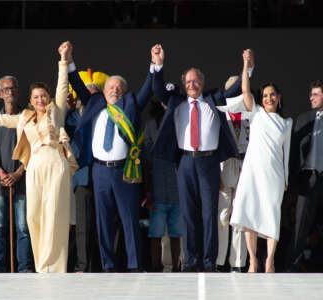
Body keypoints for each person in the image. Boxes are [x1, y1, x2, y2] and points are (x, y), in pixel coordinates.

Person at [0, 41, 78, 273]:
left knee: (54, 213)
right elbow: (0, 119)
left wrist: (64, 59)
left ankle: (53, 266)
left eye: (43, 96)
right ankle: (42, 263)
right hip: (34, 167)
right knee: (34, 216)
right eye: (36, 97)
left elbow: (62, 86)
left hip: (56, 163)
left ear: (48, 98)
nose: (40, 100)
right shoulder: (24, 118)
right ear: (31, 100)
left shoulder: (57, 112)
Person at [151, 45, 252, 272]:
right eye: (187, 82)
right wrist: (158, 64)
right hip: (185, 161)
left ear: (202, 83)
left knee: (209, 214)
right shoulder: (177, 101)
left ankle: (209, 262)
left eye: (195, 81)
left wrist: (247, 67)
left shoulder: (214, 98)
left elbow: (236, 89)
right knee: (188, 214)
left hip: (208, 162)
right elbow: (157, 90)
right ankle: (191, 261)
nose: (191, 85)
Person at [67, 44, 155, 272]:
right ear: (103, 92)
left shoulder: (130, 105)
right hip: (100, 171)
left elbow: (147, 90)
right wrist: (68, 60)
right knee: (103, 220)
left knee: (129, 219)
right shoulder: (95, 103)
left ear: (123, 93)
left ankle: (134, 265)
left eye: (118, 88)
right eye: (110, 87)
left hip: (123, 171)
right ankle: (108, 265)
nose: (114, 90)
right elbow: (77, 84)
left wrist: (155, 66)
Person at [230, 50, 293, 273]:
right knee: (249, 211)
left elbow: (286, 152)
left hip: (274, 175)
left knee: (271, 212)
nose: (268, 98)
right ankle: (253, 260)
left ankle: (269, 260)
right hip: (252, 172)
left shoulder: (287, 123)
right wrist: (247, 64)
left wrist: (285, 178)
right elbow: (245, 89)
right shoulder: (256, 113)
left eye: (272, 95)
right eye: (265, 95)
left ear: (279, 98)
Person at [0, 75, 33, 273]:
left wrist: (19, 172)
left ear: (18, 91)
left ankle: (25, 267)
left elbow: (33, 148)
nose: (10, 92)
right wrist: (1, 173)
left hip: (22, 180)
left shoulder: (28, 118)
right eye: (5, 89)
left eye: (13, 88)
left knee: (23, 227)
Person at [65, 69, 108, 272]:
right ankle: (82, 264)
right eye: (86, 93)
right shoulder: (72, 117)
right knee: (82, 224)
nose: (89, 97)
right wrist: (66, 109)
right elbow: (59, 128)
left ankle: (101, 264)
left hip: (101, 174)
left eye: (94, 94)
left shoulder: (103, 116)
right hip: (81, 175)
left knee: (103, 223)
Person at [143, 89, 182, 273]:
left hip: (176, 188)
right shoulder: (151, 125)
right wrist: (148, 193)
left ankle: (176, 267)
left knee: (176, 233)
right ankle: (155, 268)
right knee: (155, 233)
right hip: (157, 187)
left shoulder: (182, 122)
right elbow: (147, 162)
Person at [287, 80, 323, 271]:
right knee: (300, 225)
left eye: (315, 94)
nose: (311, 97)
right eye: (311, 94)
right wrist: (291, 182)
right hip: (308, 177)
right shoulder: (304, 118)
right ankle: (291, 265)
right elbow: (294, 154)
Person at [215, 76, 250, 272]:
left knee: (240, 214)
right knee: (222, 214)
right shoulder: (221, 113)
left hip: (245, 163)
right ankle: (220, 261)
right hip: (225, 163)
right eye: (232, 90)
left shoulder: (251, 111)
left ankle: (238, 262)